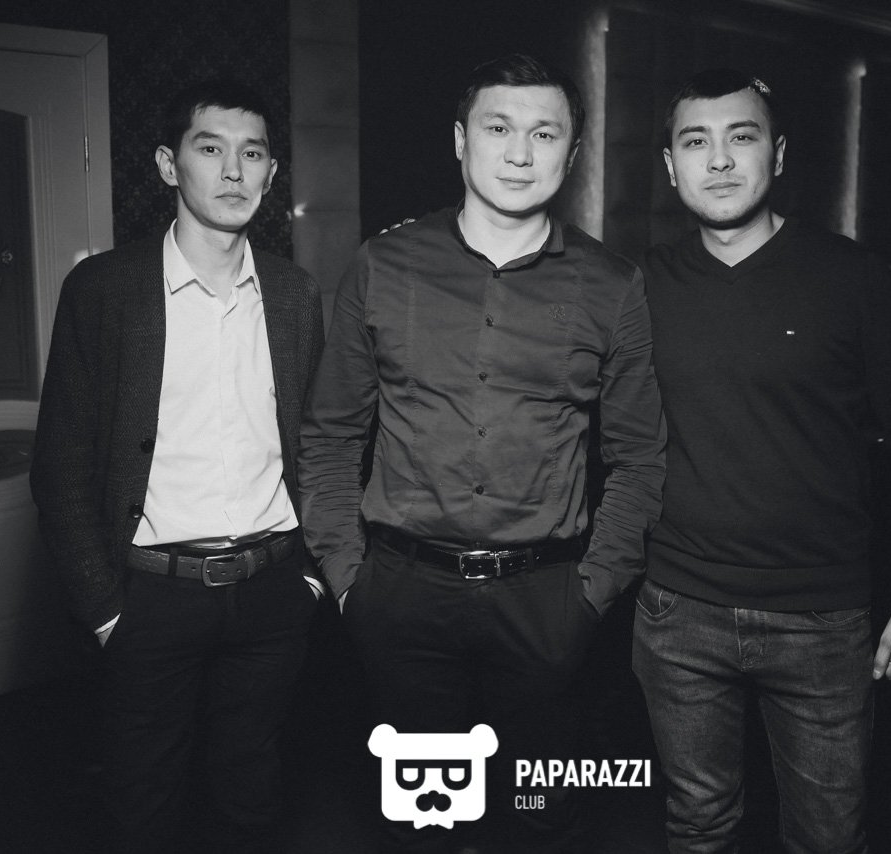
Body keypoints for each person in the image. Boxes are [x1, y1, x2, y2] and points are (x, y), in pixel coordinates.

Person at [298, 53, 666, 854]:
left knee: (542, 817)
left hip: (547, 600)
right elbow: (330, 436)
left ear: (573, 153)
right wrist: (352, 584)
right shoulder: (383, 265)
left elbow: (640, 458)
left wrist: (591, 596)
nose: (520, 153)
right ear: (461, 141)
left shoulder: (612, 284)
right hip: (401, 595)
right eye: (499, 128)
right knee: (424, 821)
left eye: (545, 134)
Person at [631, 68, 891, 853]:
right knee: (697, 824)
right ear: (671, 165)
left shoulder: (851, 277)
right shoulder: (639, 286)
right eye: (695, 142)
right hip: (678, 611)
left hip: (821, 619)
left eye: (740, 137)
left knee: (828, 837)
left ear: (776, 154)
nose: (718, 160)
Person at [30, 80, 325, 854]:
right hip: (151, 599)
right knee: (143, 805)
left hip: (272, 594)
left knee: (253, 797)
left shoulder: (295, 295)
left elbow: (324, 445)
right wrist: (105, 609)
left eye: (252, 154)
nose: (233, 171)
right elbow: (59, 465)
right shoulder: (104, 291)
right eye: (210, 148)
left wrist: (310, 578)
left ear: (271, 173)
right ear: (169, 165)